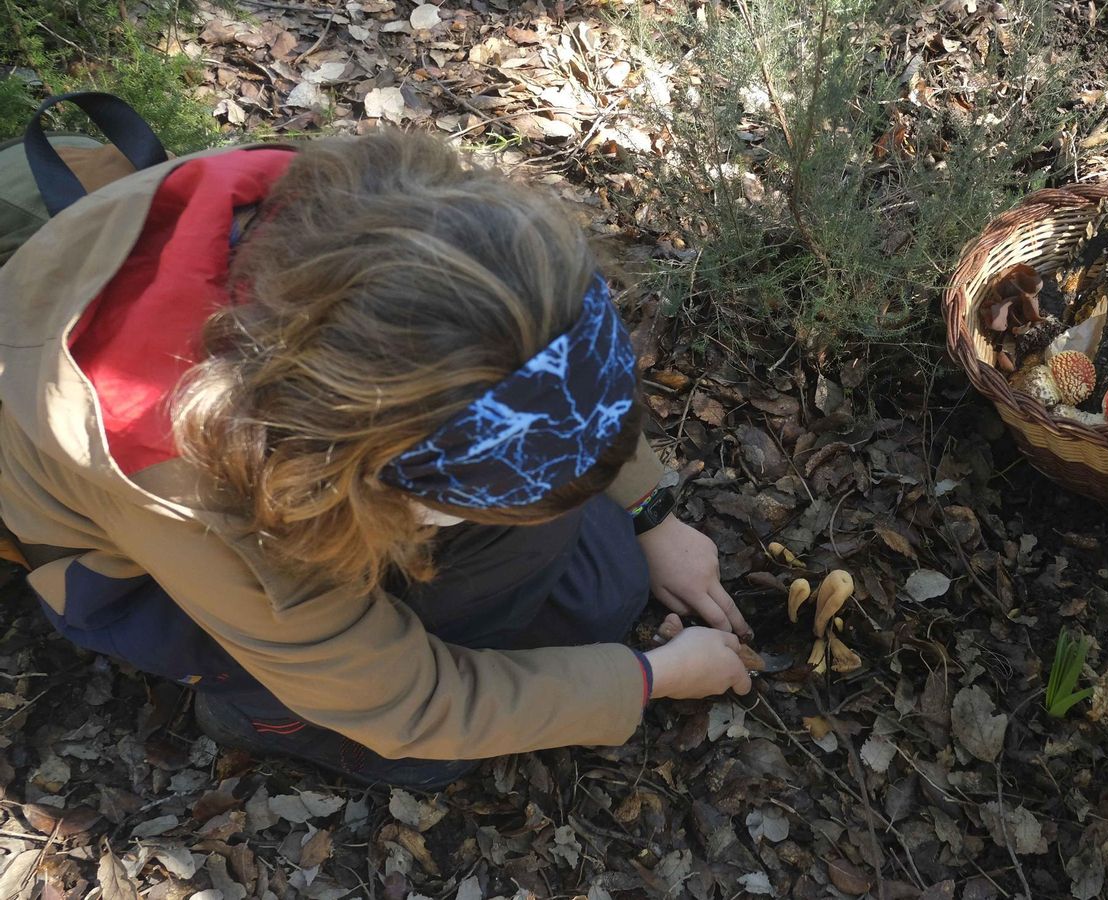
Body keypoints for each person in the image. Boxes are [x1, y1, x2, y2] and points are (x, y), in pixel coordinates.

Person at [0, 130, 754, 790]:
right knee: (426, 751)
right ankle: (264, 715)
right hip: (154, 572)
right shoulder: (181, 484)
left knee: (606, 586)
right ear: (360, 469)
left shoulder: (405, 230)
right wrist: (651, 680)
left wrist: (651, 510)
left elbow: (555, 368)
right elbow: (407, 707)